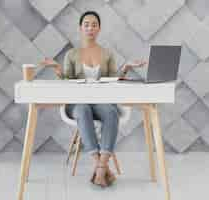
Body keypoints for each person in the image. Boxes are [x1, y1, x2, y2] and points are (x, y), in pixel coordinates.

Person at [39, 10, 147, 187]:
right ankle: (101, 166)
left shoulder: (108, 54)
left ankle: (100, 167)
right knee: (83, 109)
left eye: (94, 25)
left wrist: (126, 67)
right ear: (80, 28)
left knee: (112, 112)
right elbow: (67, 81)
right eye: (86, 24)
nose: (90, 28)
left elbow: (114, 80)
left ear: (99, 29)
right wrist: (57, 68)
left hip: (100, 101)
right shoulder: (71, 54)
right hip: (77, 103)